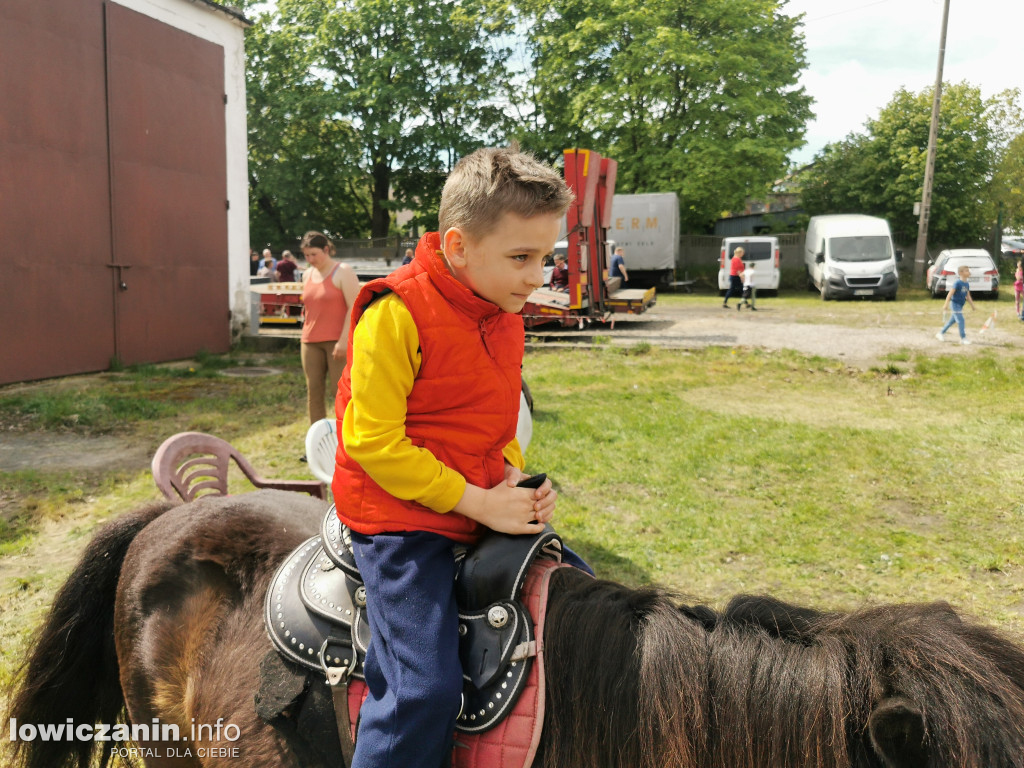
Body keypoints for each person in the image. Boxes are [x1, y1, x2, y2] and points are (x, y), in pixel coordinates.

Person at [332, 145, 588, 768]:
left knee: (588, 610)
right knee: (424, 689)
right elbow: (371, 442)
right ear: (458, 246)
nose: (537, 276)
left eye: (546, 258)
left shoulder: (502, 313)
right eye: (521, 258)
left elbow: (493, 423)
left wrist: (513, 476)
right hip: (398, 518)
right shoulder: (394, 314)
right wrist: (478, 502)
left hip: (474, 500)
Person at [300, 231, 360, 425]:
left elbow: (354, 305)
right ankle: (315, 441)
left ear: (326, 249)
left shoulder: (343, 271)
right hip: (310, 341)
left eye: (314, 254)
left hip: (337, 342)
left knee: (341, 393)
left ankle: (345, 442)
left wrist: (344, 341)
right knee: (314, 390)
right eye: (306, 255)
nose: (310, 259)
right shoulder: (307, 274)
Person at [935, 264, 976, 345]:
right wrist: (946, 304)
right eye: (966, 270)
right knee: (961, 320)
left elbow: (968, 296)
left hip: (960, 306)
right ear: (961, 273)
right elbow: (950, 294)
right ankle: (963, 338)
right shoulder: (957, 283)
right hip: (955, 305)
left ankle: (940, 333)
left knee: (951, 321)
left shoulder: (966, 284)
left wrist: (972, 306)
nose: (969, 272)